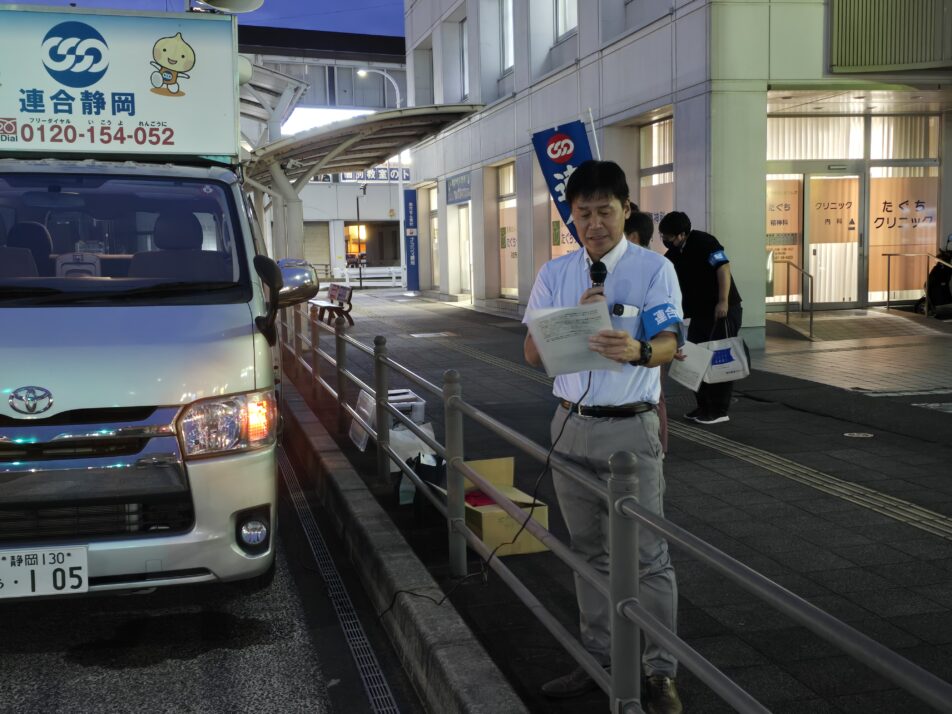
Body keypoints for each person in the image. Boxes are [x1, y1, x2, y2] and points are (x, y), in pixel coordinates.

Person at [524, 160, 683, 714]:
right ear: (572, 216)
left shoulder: (653, 269)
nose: (594, 223)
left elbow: (667, 342)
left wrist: (637, 349)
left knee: (647, 557)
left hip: (630, 432)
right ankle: (600, 657)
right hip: (569, 426)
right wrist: (572, 321)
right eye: (583, 213)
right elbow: (530, 353)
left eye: (605, 211)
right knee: (589, 553)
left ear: (626, 210)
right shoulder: (556, 273)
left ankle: (660, 671)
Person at [659, 211, 743, 425]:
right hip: (700, 314)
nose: (665, 240)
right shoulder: (674, 254)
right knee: (695, 358)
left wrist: (723, 301)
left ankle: (719, 409)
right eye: (663, 236)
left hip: (722, 310)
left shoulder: (706, 242)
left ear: (682, 234)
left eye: (668, 236)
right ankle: (704, 405)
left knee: (719, 358)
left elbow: (723, 267)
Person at [625, 208, 669, 455]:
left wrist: (668, 343)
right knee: (656, 399)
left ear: (632, 237)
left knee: (654, 399)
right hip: (641, 349)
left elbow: (664, 317)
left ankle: (658, 449)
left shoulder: (655, 268)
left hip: (648, 350)